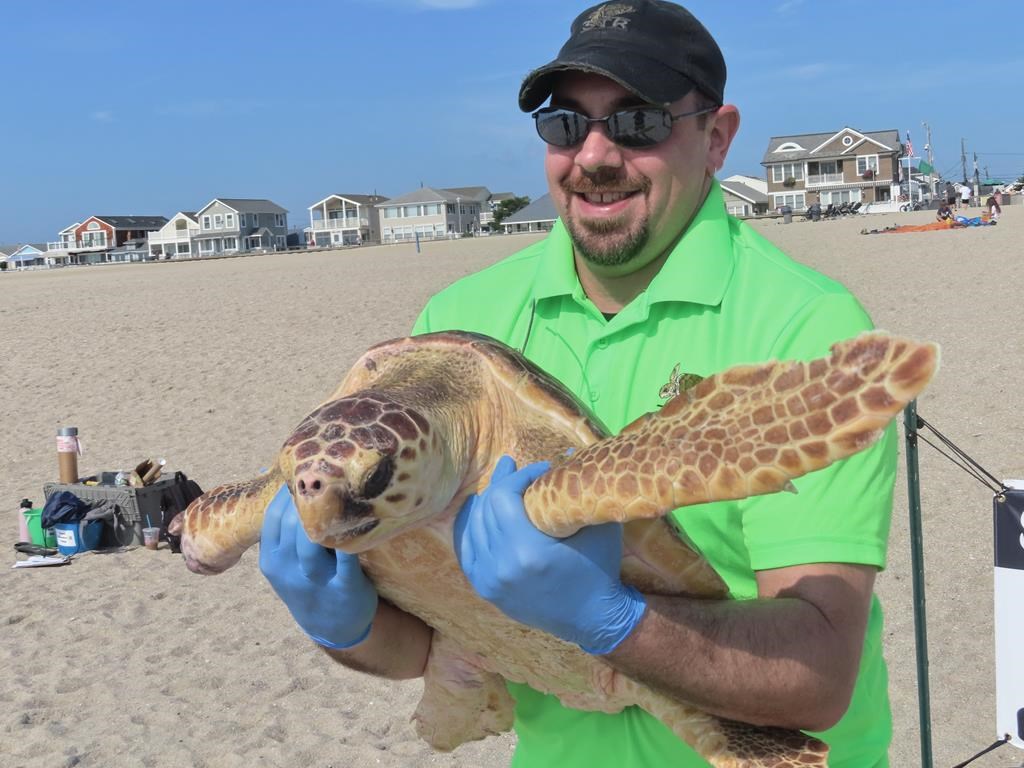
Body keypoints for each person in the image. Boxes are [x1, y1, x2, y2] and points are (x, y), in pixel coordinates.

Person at [259, 2, 897, 766]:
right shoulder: (459, 320)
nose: (593, 154)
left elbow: (817, 679)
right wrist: (345, 625)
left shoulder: (802, 329)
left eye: (639, 122)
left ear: (717, 136)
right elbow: (426, 645)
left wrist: (612, 619)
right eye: (565, 124)